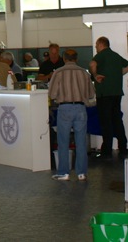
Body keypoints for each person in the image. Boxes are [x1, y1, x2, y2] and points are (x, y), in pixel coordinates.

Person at [49, 49, 96, 181]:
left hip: (64, 108)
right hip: (81, 108)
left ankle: (64, 172)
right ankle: (81, 173)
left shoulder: (58, 72)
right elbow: (91, 94)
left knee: (63, 141)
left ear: (64, 59)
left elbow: (52, 94)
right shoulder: (84, 73)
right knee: (81, 142)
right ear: (76, 59)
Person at [89, 36, 128, 159]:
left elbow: (92, 64)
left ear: (101, 45)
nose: (96, 47)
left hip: (104, 93)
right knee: (117, 120)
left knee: (106, 122)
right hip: (117, 93)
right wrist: (119, 74)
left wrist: (95, 75)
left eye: (96, 45)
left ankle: (107, 150)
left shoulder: (100, 55)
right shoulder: (116, 56)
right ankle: (123, 147)